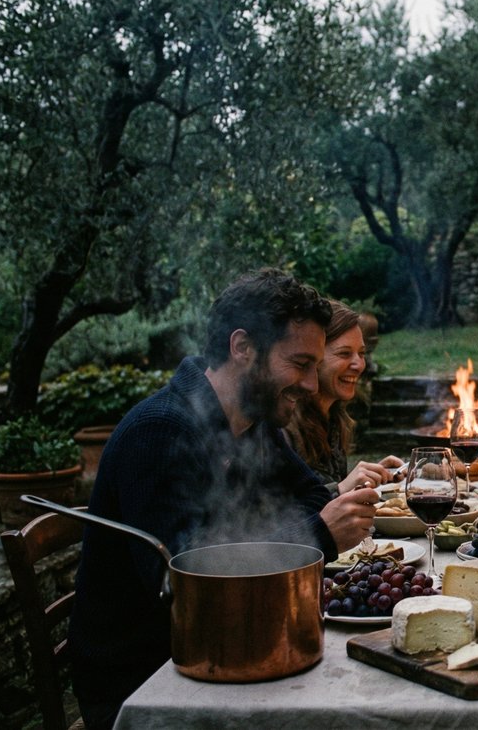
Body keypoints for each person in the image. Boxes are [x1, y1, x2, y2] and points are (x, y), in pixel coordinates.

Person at [67, 269, 380, 730]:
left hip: (233, 643)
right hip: (149, 679)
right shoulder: (160, 433)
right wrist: (316, 534)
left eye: (315, 366)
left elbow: (312, 493)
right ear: (242, 348)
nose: (313, 385)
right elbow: (191, 580)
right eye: (300, 364)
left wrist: (277, 532)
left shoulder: (254, 423)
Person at [284, 300, 403, 495]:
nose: (359, 365)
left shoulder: (334, 419)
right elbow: (287, 514)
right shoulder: (284, 426)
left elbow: (328, 492)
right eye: (344, 353)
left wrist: (370, 478)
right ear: (314, 358)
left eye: (362, 353)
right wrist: (343, 488)